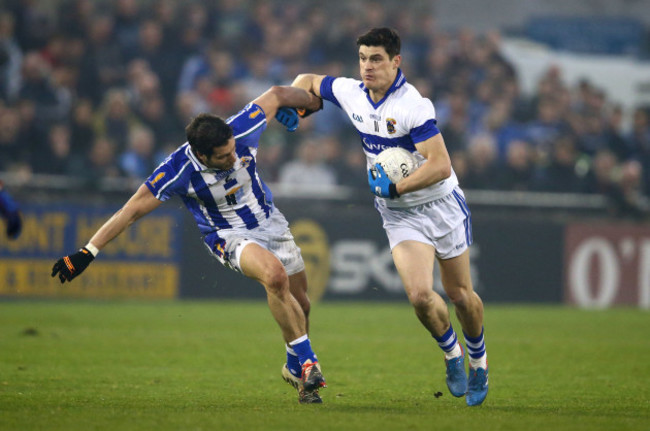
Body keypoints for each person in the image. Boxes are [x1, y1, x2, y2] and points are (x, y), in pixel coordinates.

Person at [51, 85, 327, 404]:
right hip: (227, 235)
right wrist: (88, 252)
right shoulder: (177, 170)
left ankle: (294, 367)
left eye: (233, 150)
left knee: (301, 304)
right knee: (274, 277)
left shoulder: (242, 126)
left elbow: (278, 93)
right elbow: (130, 211)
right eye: (223, 157)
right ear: (202, 155)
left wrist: (313, 103)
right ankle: (309, 364)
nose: (233, 157)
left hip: (271, 222)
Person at [286, 27, 488, 406]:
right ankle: (453, 356)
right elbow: (309, 81)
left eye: (376, 59)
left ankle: (479, 358)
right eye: (362, 58)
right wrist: (295, 107)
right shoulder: (351, 92)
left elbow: (441, 165)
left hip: (439, 205)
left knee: (461, 294)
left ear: (396, 61)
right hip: (400, 216)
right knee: (419, 297)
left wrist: (396, 187)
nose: (367, 67)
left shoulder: (413, 106)